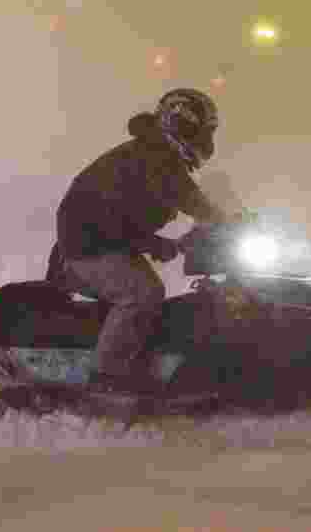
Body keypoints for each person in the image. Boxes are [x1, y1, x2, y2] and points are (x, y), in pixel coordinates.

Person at [47, 88, 229, 394]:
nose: (205, 141)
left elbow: (189, 200)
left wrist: (230, 219)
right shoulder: (154, 156)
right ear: (180, 127)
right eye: (200, 132)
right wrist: (222, 222)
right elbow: (191, 200)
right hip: (88, 245)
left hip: (107, 240)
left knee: (152, 296)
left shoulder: (157, 153)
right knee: (142, 293)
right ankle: (106, 379)